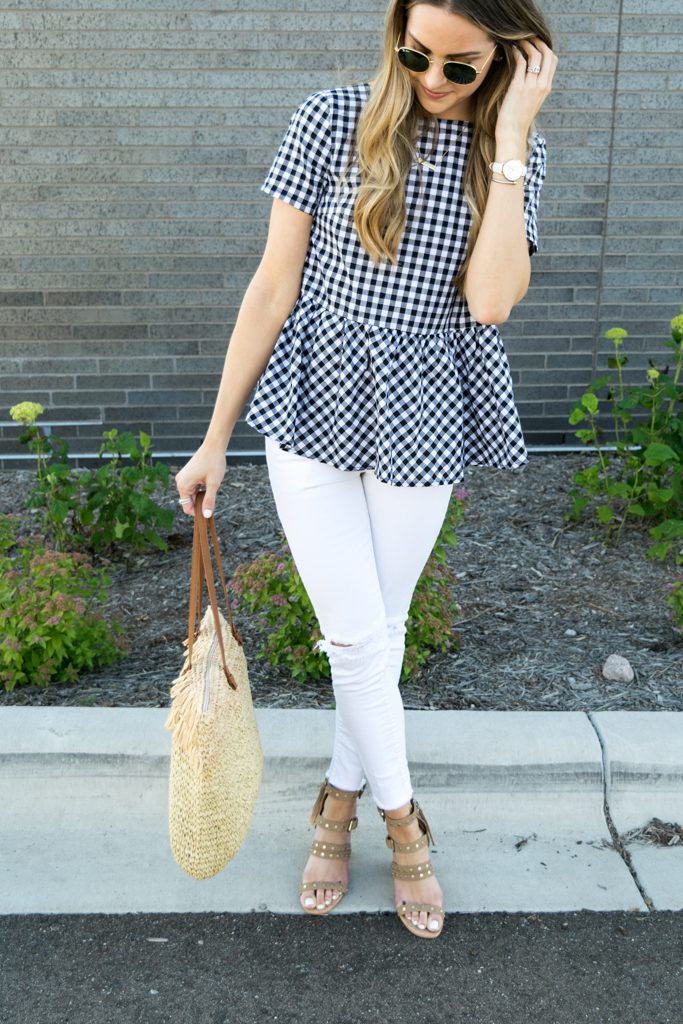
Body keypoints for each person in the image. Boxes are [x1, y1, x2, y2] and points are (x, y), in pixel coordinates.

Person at [174, 0, 557, 939]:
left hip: (425, 399)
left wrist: (508, 136)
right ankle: (403, 823)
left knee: (377, 628)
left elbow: (494, 301)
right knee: (354, 638)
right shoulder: (329, 118)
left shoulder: (513, 159)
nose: (430, 79)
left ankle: (336, 804)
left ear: (509, 61)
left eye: (461, 67)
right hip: (315, 393)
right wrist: (216, 436)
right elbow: (272, 284)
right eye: (414, 54)